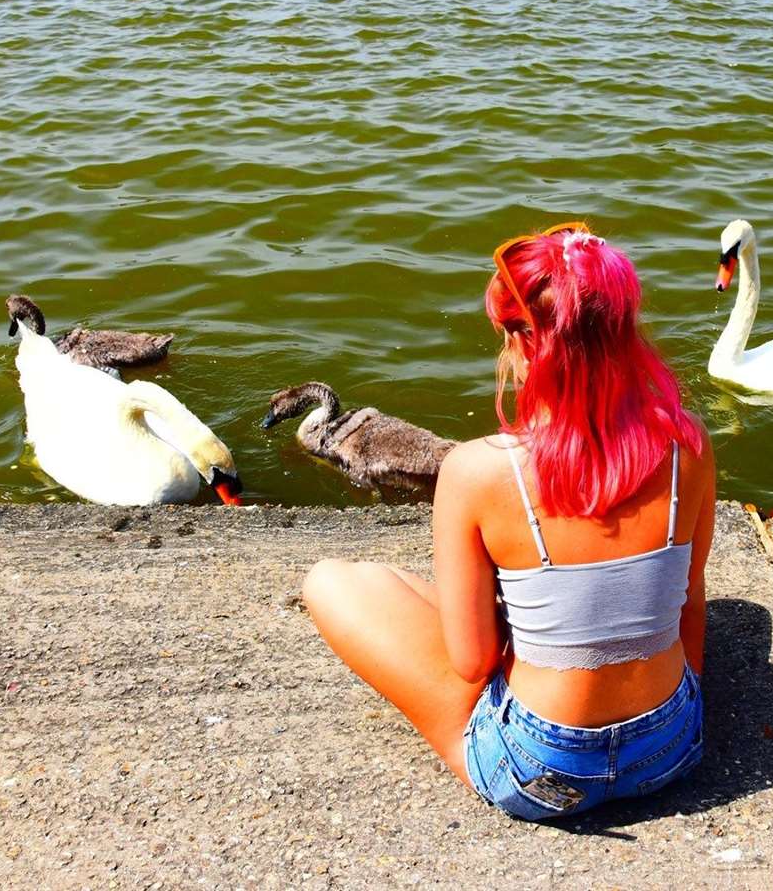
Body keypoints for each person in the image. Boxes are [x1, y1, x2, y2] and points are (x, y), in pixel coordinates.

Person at [301, 221, 715, 820]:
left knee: (333, 581)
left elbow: (472, 663)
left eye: (507, 334)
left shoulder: (478, 470)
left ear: (526, 342)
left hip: (539, 769)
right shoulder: (688, 445)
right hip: (673, 751)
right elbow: (690, 607)